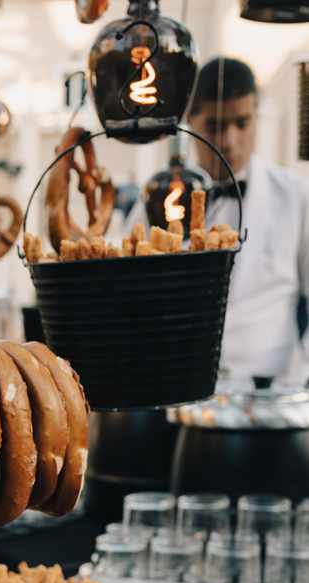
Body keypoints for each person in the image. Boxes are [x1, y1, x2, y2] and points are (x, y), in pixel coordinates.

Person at [130, 57, 309, 382]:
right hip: (175, 384)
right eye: (215, 125)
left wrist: (302, 378)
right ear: (189, 119)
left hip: (276, 388)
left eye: (242, 123)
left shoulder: (297, 195)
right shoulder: (160, 195)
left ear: (258, 116)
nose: (229, 140)